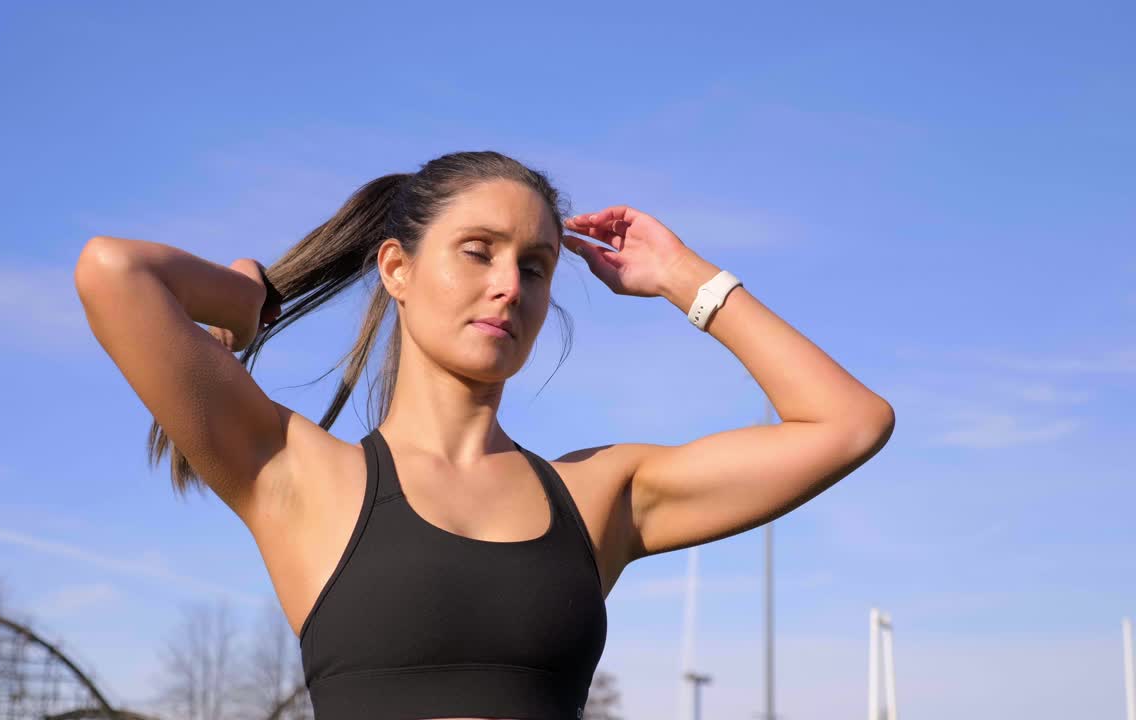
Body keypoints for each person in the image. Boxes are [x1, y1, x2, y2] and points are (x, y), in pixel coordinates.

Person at [74, 150, 895, 720]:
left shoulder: (599, 497)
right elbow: (115, 273)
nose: (509, 285)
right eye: (478, 252)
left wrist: (683, 277)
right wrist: (247, 299)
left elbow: (850, 423)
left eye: (535, 267)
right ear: (396, 269)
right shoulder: (297, 475)